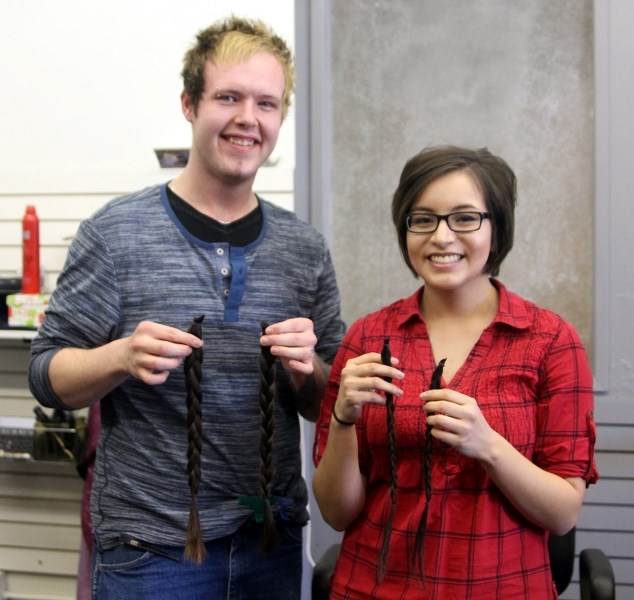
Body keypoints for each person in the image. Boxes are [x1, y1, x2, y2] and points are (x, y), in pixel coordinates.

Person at [29, 15, 345, 600]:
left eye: (267, 103)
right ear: (189, 104)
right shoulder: (114, 235)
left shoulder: (305, 250)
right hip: (149, 557)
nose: (248, 118)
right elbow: (47, 376)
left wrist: (311, 371)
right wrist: (120, 357)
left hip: (269, 545)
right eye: (228, 97)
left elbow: (329, 405)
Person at [312, 145, 598, 599]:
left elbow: (563, 513)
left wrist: (488, 445)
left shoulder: (550, 341)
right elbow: (336, 512)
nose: (441, 237)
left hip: (506, 588)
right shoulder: (368, 338)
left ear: (496, 227)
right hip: (373, 587)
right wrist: (344, 419)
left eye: (465, 218)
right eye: (422, 219)